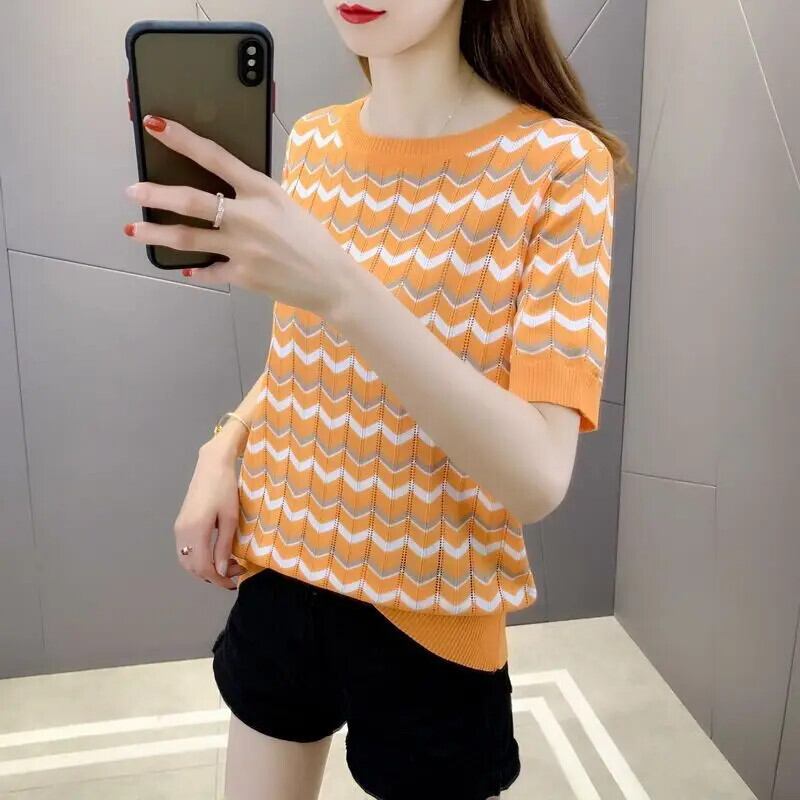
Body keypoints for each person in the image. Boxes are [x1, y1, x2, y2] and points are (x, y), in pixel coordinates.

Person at [122, 1, 628, 797]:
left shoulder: (561, 166)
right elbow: (311, 355)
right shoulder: (315, 143)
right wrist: (225, 445)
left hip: (431, 610)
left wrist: (342, 288)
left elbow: (536, 478)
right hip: (281, 564)